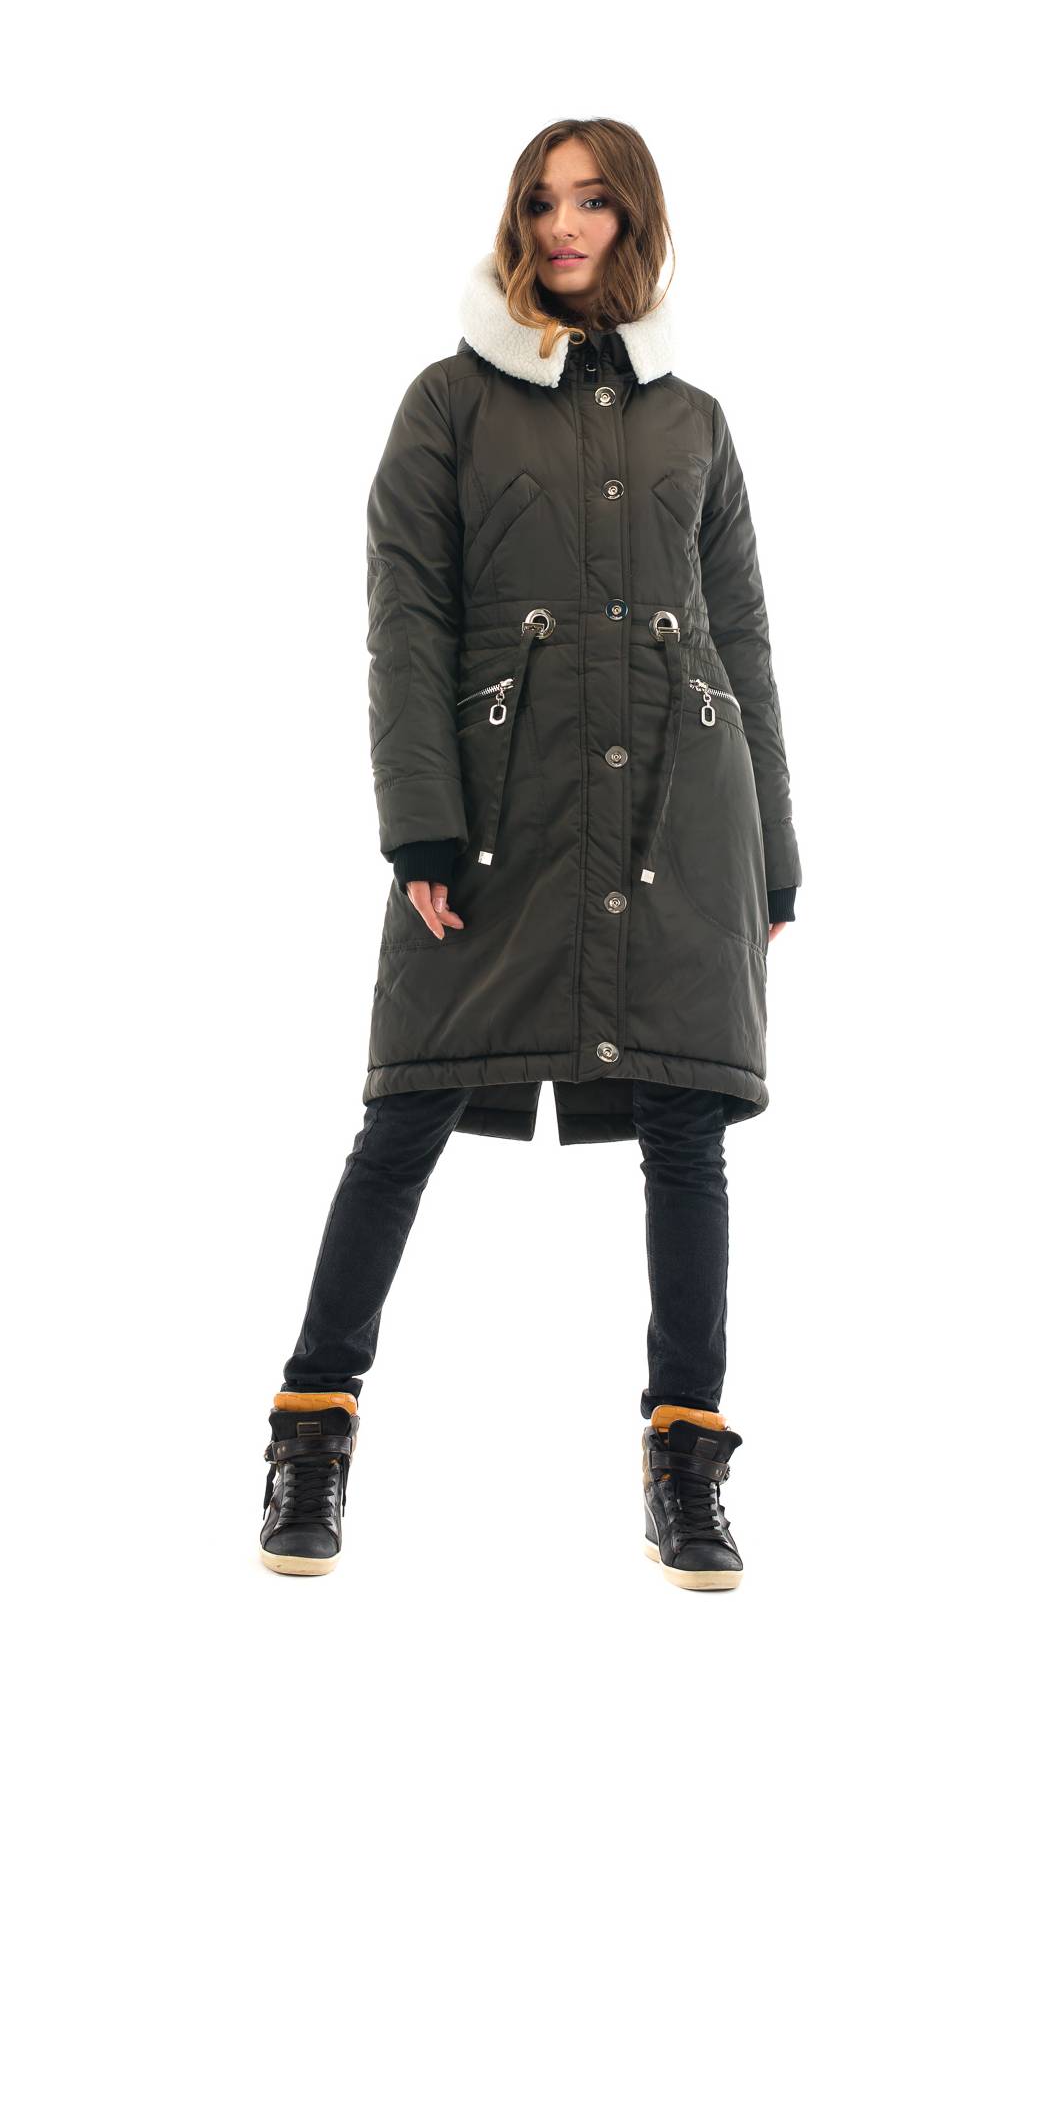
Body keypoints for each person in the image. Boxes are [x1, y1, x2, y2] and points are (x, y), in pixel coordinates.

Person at [260, 118, 802, 1590]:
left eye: (595, 202)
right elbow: (407, 618)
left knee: (687, 1131)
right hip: (497, 815)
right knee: (406, 1113)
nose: (565, 226)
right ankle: (311, 1429)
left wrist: (772, 848)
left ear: (637, 220)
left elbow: (744, 639)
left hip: (681, 814)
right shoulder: (448, 402)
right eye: (544, 201)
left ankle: (688, 1464)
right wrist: (420, 820)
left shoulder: (695, 421)